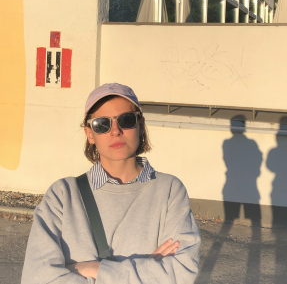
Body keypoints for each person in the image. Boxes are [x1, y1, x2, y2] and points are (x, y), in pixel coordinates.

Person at [21, 83, 201, 284]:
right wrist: (146, 272)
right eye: (101, 124)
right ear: (90, 134)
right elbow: (37, 278)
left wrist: (93, 268)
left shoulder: (169, 190)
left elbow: (183, 272)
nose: (115, 131)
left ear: (140, 125)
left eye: (126, 120)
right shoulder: (63, 196)